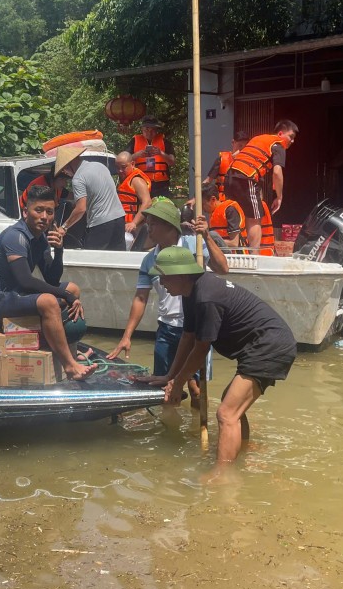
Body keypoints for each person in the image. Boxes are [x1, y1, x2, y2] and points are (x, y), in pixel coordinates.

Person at [142, 245, 296, 465]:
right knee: (231, 404)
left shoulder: (206, 297)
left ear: (180, 275)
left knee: (226, 413)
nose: (162, 284)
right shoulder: (190, 292)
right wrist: (170, 376)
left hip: (269, 345)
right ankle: (241, 451)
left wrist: (178, 385)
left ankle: (223, 476)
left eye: (164, 278)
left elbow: (200, 350)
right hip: (260, 345)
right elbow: (188, 337)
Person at [0, 184, 96, 381]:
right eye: (38, 210)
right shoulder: (16, 236)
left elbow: (52, 278)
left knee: (73, 287)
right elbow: (26, 280)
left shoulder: (40, 238)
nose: (44, 217)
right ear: (25, 212)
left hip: (15, 292)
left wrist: (59, 251)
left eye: (49, 212)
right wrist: (65, 296)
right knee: (49, 301)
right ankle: (70, 366)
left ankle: (70, 351)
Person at [107, 198, 227, 397]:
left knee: (196, 389)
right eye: (148, 224)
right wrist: (127, 336)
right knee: (164, 388)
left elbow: (223, 269)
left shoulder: (194, 246)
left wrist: (206, 236)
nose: (149, 229)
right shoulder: (149, 260)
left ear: (170, 226)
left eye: (153, 224)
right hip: (167, 329)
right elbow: (140, 298)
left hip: (196, 328)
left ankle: (196, 424)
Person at [225, 120, 297, 250]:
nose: (292, 141)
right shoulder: (278, 144)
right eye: (291, 137)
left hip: (230, 176)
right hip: (246, 177)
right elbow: (277, 172)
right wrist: (279, 197)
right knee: (254, 218)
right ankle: (254, 256)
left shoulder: (259, 138)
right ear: (280, 133)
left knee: (233, 212)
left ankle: (229, 251)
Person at [55, 147, 126, 251]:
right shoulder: (100, 166)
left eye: (64, 169)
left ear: (70, 163)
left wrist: (64, 227)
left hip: (101, 222)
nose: (65, 173)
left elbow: (80, 209)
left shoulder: (78, 178)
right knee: (118, 258)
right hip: (119, 218)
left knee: (91, 259)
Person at [127, 115, 175, 198]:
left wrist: (161, 153)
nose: (149, 132)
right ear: (142, 129)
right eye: (146, 129)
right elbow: (124, 160)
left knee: (161, 208)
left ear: (157, 130)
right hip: (140, 182)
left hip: (161, 185)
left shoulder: (165, 142)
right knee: (143, 207)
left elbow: (172, 162)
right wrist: (137, 155)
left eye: (153, 130)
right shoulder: (134, 141)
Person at [114, 151, 153, 241]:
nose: (120, 170)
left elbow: (147, 203)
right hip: (124, 225)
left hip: (135, 227)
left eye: (123, 167)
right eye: (117, 167)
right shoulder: (122, 180)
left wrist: (134, 223)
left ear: (132, 164)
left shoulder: (136, 180)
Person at [202, 129, 249, 198]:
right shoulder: (221, 160)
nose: (242, 149)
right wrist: (195, 198)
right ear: (233, 143)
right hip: (224, 200)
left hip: (242, 199)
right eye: (240, 145)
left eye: (245, 147)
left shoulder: (249, 162)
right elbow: (208, 180)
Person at [200, 182, 246, 250]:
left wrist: (209, 240)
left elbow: (234, 244)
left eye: (203, 204)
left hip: (237, 257)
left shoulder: (229, 210)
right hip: (221, 255)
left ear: (213, 199)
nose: (202, 208)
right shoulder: (213, 214)